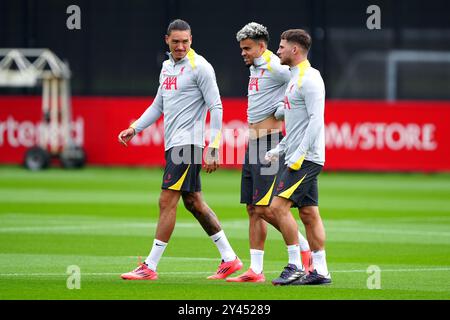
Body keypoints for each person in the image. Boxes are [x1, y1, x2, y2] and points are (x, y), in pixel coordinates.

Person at [118, 19, 242, 281]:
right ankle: (230, 258)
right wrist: (135, 128)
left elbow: (216, 107)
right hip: (174, 143)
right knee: (194, 202)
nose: (181, 46)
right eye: (176, 42)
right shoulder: (166, 68)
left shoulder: (201, 68)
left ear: (191, 40)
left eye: (185, 41)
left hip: (188, 144)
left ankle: (149, 266)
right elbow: (158, 105)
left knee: (166, 200)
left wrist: (214, 146)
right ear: (167, 41)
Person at [227, 22, 312, 284]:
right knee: (253, 209)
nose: (243, 52)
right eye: (242, 48)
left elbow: (300, 88)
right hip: (252, 144)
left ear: (261, 47)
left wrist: (281, 110)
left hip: (270, 144)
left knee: (268, 209)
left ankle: (303, 251)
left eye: (247, 48)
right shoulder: (255, 68)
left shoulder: (276, 66)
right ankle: (255, 270)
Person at [265, 29, 331, 285]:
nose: (278, 50)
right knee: (309, 214)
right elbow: (298, 126)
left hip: (305, 158)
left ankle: (295, 265)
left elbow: (316, 121)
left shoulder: (310, 79)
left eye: (281, 47)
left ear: (294, 50)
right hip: (295, 154)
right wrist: (279, 150)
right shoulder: (295, 78)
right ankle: (321, 271)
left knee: (276, 208)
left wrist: (299, 155)